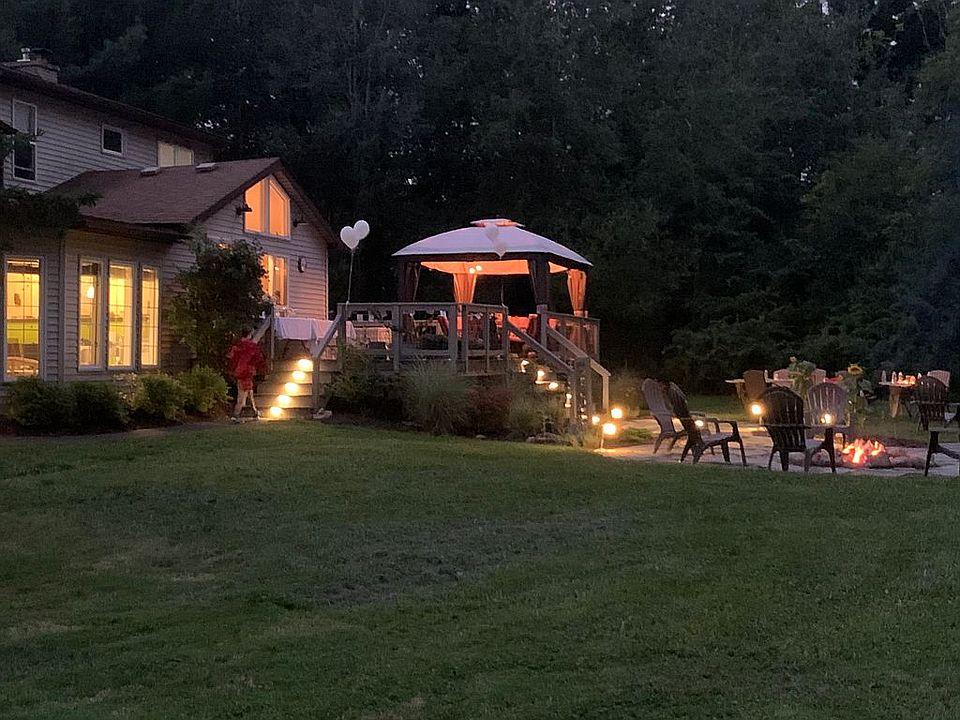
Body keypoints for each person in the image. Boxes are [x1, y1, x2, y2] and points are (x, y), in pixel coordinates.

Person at [227, 330, 267, 421]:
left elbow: (230, 358)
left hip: (239, 372)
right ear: (249, 335)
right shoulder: (252, 346)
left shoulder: (236, 346)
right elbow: (259, 358)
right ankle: (235, 415)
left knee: (249, 392)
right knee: (243, 394)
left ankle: (255, 412)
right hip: (247, 372)